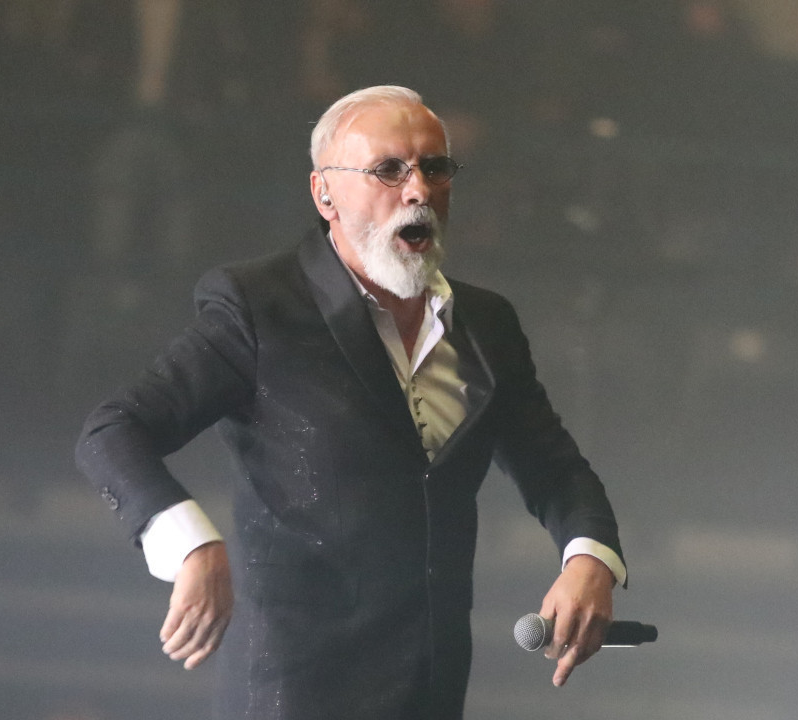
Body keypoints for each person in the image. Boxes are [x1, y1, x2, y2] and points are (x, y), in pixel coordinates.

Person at [76, 85, 626, 720]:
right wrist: (191, 546)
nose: (418, 190)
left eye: (435, 168)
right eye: (389, 170)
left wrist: (590, 557)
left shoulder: (486, 324)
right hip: (292, 692)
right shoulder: (261, 307)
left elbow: (555, 469)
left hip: (429, 688)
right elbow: (114, 430)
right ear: (324, 194)